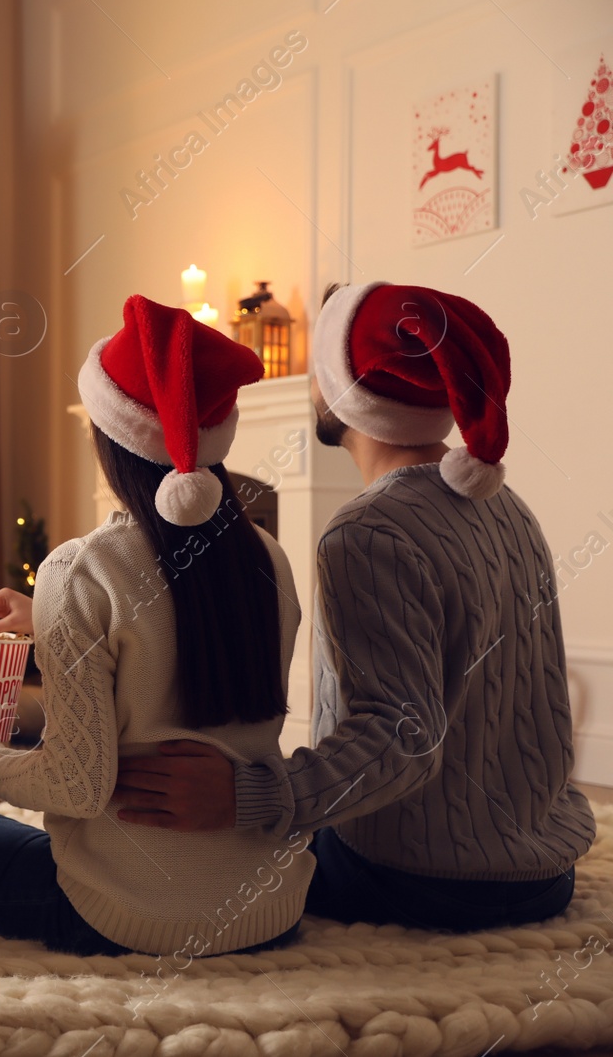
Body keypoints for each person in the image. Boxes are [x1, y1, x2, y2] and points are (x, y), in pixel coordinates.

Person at [110, 281, 596, 932]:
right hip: (544, 874)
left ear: (347, 389)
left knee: (165, 865)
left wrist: (243, 794)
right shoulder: (509, 507)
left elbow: (402, 737)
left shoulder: (367, 532)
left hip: (414, 881)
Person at [0, 295, 312, 957]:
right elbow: (172, 645)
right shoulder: (267, 554)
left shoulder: (80, 567)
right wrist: (49, 626)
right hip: (272, 909)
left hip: (119, 919)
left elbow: (77, 785)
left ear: (109, 438)